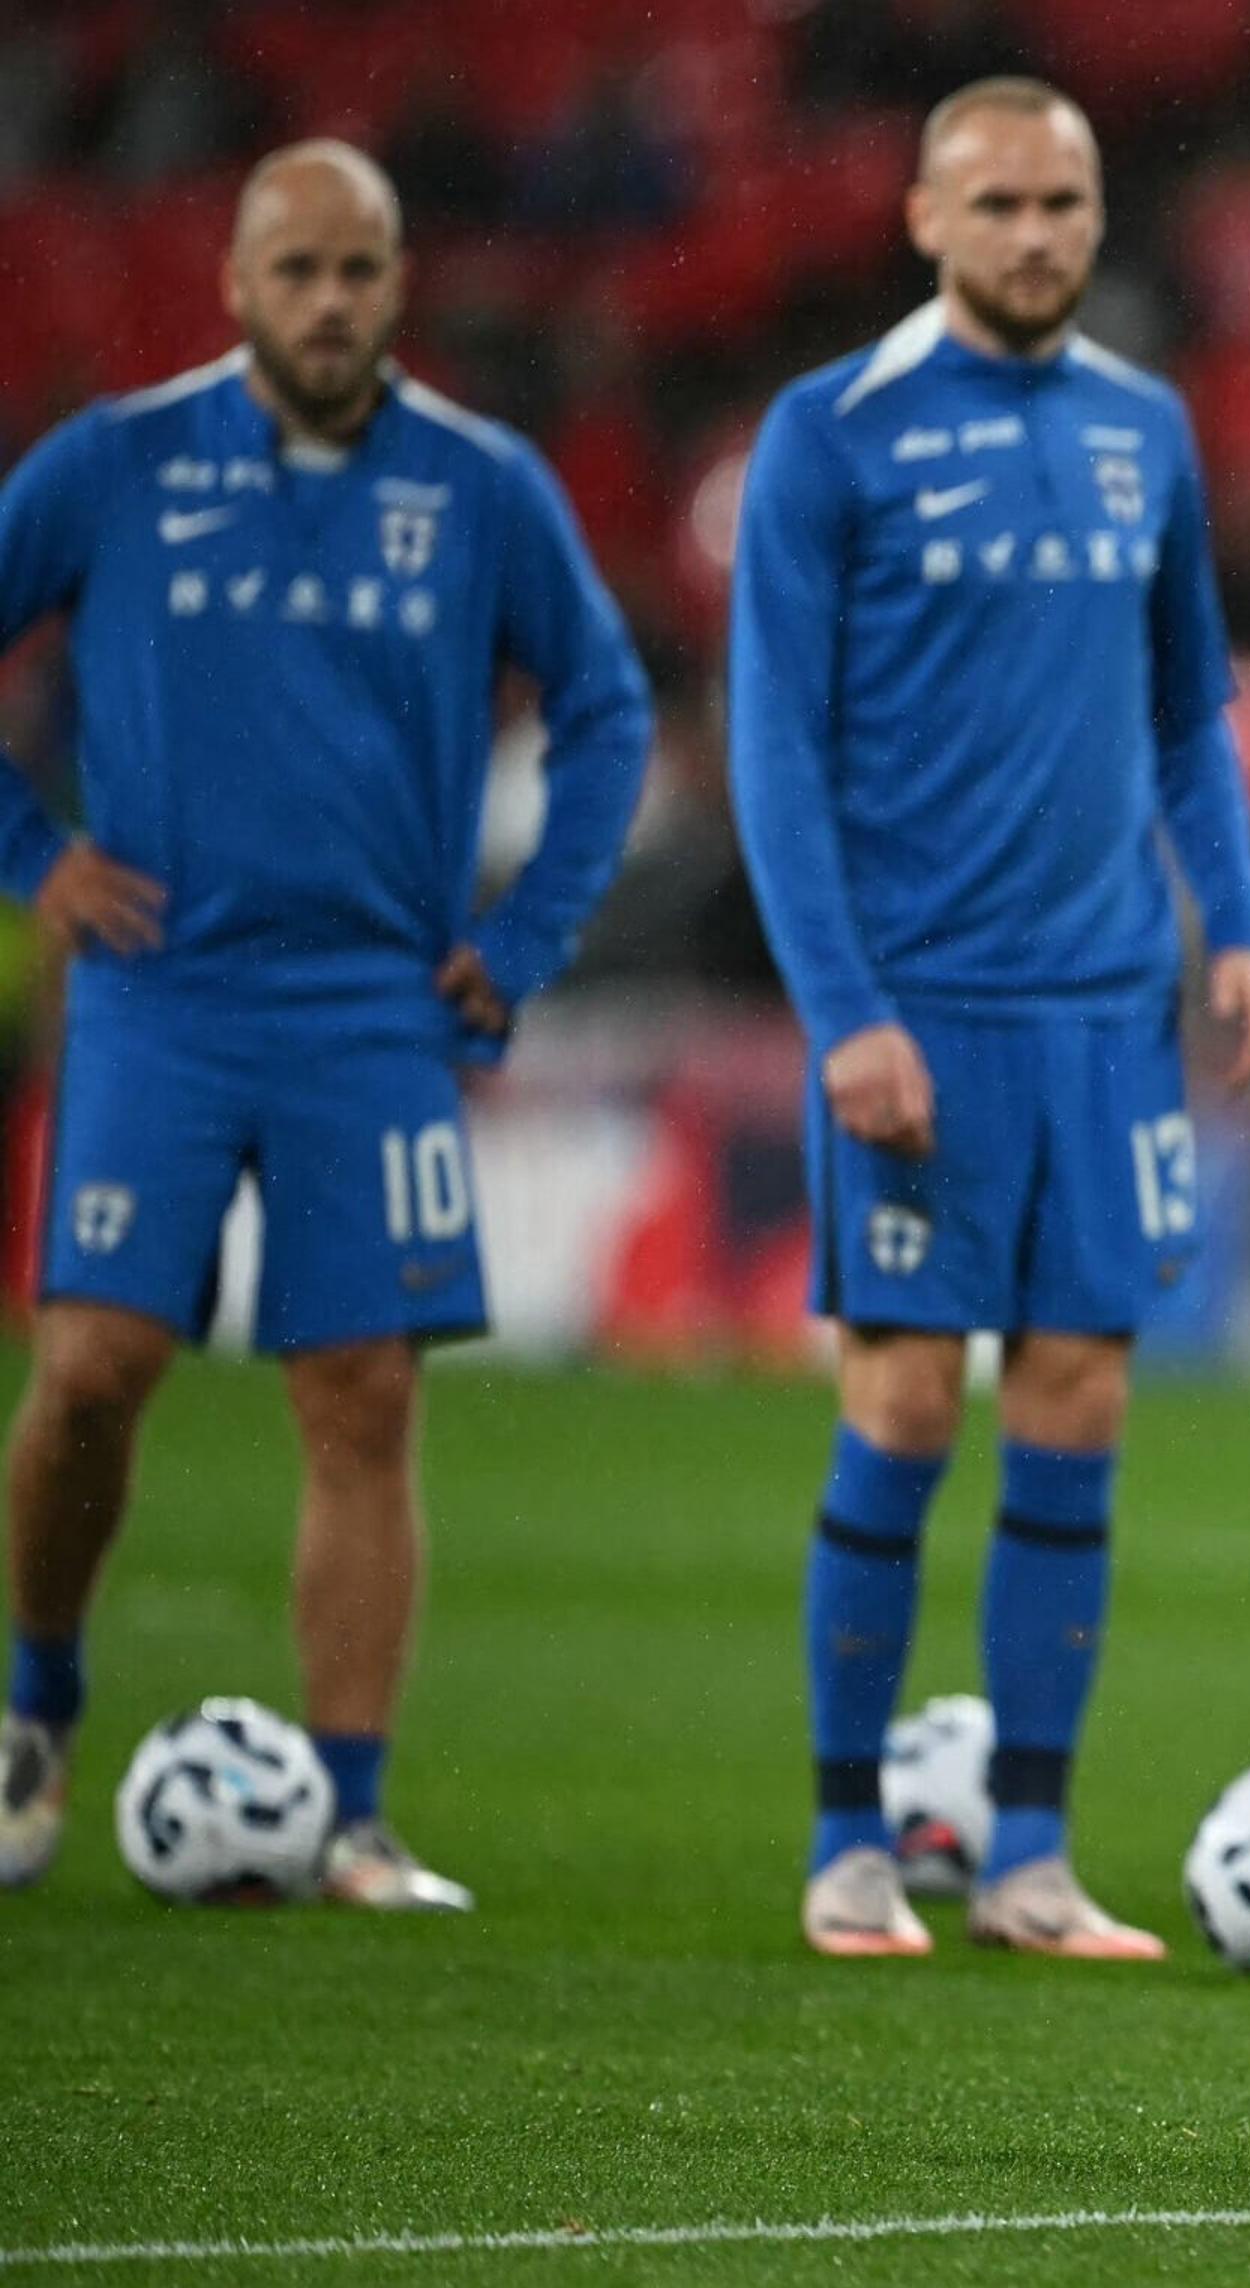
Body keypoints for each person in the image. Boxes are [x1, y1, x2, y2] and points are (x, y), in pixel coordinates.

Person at [0, 142, 651, 1908]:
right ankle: (33, 1716)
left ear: (401, 282)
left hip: (372, 1012)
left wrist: (521, 939)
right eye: (299, 271)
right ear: (234, 283)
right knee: (87, 1375)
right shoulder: (118, 461)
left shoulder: (482, 485)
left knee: (361, 1401)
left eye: (362, 270)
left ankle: (354, 1818)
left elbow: (604, 706)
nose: (332, 303)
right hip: (161, 994)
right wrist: (30, 855)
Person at [728, 78, 1250, 1963]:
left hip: (1110, 1008)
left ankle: (1032, 1854)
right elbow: (775, 761)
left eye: (1067, 201)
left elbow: (1188, 713)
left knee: (1081, 1402)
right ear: (924, 217)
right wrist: (843, 1014)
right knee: (899, 1401)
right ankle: (845, 1842)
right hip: (925, 1019)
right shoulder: (834, 436)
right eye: (1002, 205)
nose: (1040, 234)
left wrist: (1244, 930)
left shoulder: (1145, 431)